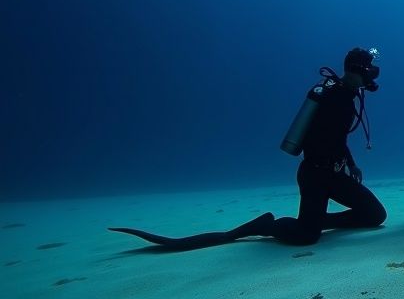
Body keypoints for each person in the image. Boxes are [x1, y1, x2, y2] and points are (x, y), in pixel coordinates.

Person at [109, 47, 387, 250]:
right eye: (368, 72)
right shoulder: (333, 97)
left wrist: (349, 163)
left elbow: (339, 138)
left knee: (375, 215)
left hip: (335, 174)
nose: (371, 78)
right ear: (355, 71)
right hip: (315, 175)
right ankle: (265, 225)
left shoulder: (346, 97)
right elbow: (321, 138)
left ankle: (316, 219)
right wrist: (332, 161)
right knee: (306, 237)